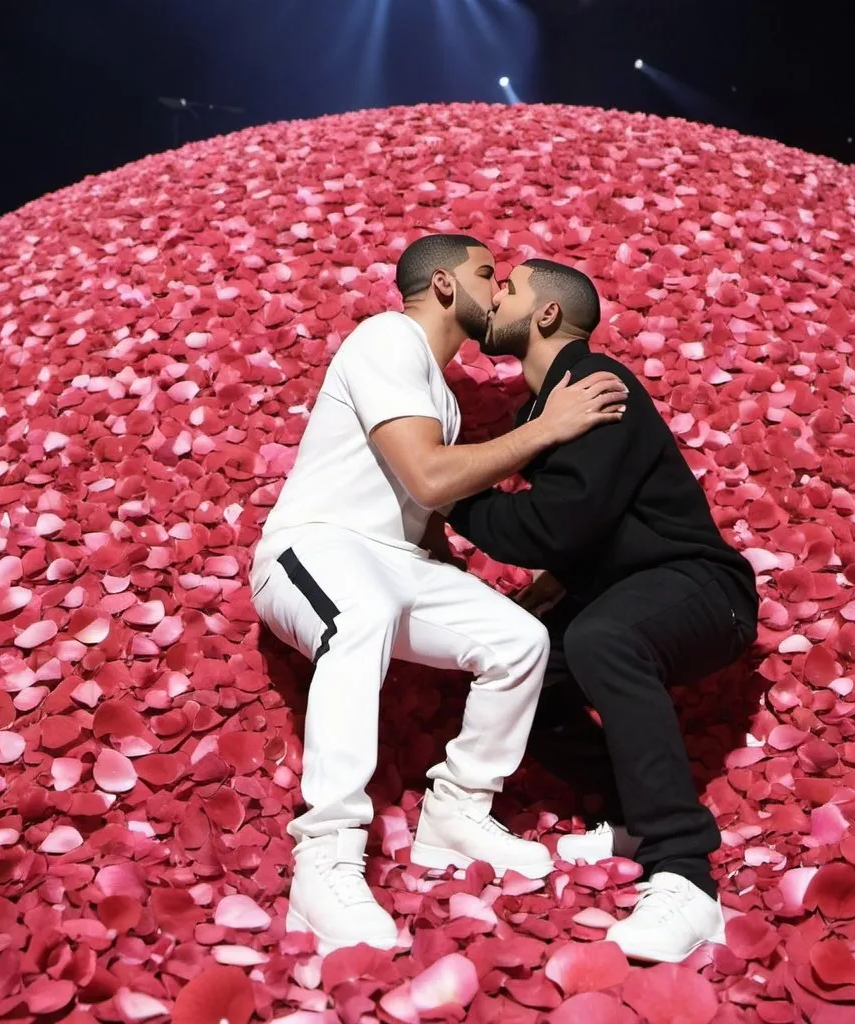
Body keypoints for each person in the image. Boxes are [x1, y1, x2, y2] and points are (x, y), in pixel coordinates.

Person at [249, 234, 629, 952]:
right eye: (489, 275)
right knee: (360, 612)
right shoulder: (386, 338)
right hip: (319, 547)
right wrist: (551, 427)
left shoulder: (439, 397)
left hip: (395, 566)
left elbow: (419, 524)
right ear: (448, 287)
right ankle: (324, 859)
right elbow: (427, 478)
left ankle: (455, 813)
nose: (498, 290)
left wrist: (483, 587)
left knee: (519, 641)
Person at [442, 257, 759, 964]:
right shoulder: (542, 409)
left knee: (602, 638)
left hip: (704, 589)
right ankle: (633, 814)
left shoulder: (595, 383)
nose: (493, 300)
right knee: (525, 673)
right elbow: (583, 533)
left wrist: (442, 486)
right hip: (625, 593)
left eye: (509, 290)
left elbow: (560, 527)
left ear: (547, 315)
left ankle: (684, 876)